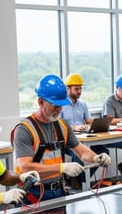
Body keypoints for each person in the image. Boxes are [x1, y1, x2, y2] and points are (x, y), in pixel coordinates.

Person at [12, 75, 112, 203]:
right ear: (41, 102)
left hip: (58, 191)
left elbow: (81, 152)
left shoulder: (62, 126)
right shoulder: (25, 129)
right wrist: (61, 168)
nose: (59, 109)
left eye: (61, 105)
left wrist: (96, 158)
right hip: (33, 194)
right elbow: (26, 167)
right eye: (55, 105)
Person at [60, 73, 109, 176]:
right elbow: (59, 125)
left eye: (80, 89)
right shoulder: (60, 105)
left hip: (84, 138)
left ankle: (81, 179)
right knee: (77, 155)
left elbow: (88, 121)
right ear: (67, 89)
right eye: (76, 89)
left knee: (104, 152)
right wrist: (75, 127)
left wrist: (97, 124)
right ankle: (79, 181)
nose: (79, 92)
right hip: (69, 141)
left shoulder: (83, 104)